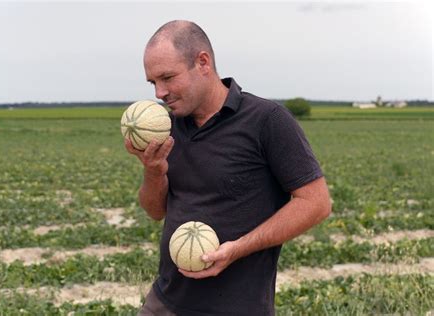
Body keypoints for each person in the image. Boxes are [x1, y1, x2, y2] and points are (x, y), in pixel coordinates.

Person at [125, 20, 332, 316]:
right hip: (165, 302)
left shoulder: (267, 121)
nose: (159, 92)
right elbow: (155, 211)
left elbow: (316, 203)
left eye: (168, 77)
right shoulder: (166, 127)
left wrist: (237, 249)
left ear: (203, 63)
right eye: (152, 83)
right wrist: (153, 169)